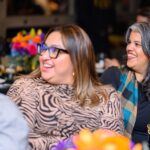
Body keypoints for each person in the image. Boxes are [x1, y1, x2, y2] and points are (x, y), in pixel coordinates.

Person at [7, 24, 124, 149]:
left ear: (77, 59)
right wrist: (76, 143)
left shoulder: (106, 96)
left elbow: (113, 143)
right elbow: (16, 141)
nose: (44, 56)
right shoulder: (25, 88)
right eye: (44, 48)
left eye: (54, 51)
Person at [100, 22, 150, 145]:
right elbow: (96, 124)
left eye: (137, 44)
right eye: (129, 42)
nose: (128, 48)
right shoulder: (114, 77)